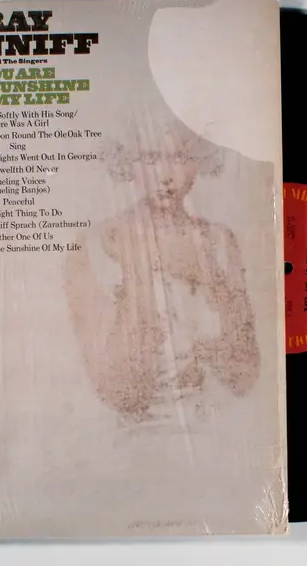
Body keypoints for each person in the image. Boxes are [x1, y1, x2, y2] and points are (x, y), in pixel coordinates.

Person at [63, 117, 260, 427]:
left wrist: (210, 287)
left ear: (199, 161)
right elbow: (115, 389)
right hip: (136, 434)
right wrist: (138, 276)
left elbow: (244, 376)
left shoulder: (220, 242)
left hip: (216, 423)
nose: (166, 176)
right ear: (127, 161)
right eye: (150, 158)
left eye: (179, 158)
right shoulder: (97, 245)